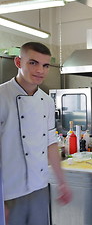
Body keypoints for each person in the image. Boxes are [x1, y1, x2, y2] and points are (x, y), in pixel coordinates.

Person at [0, 42, 72, 224]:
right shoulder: (2, 96)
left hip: (39, 186)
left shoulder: (47, 101)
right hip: (8, 192)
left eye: (45, 65)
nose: (40, 70)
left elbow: (51, 143)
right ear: (18, 62)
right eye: (33, 63)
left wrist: (62, 181)